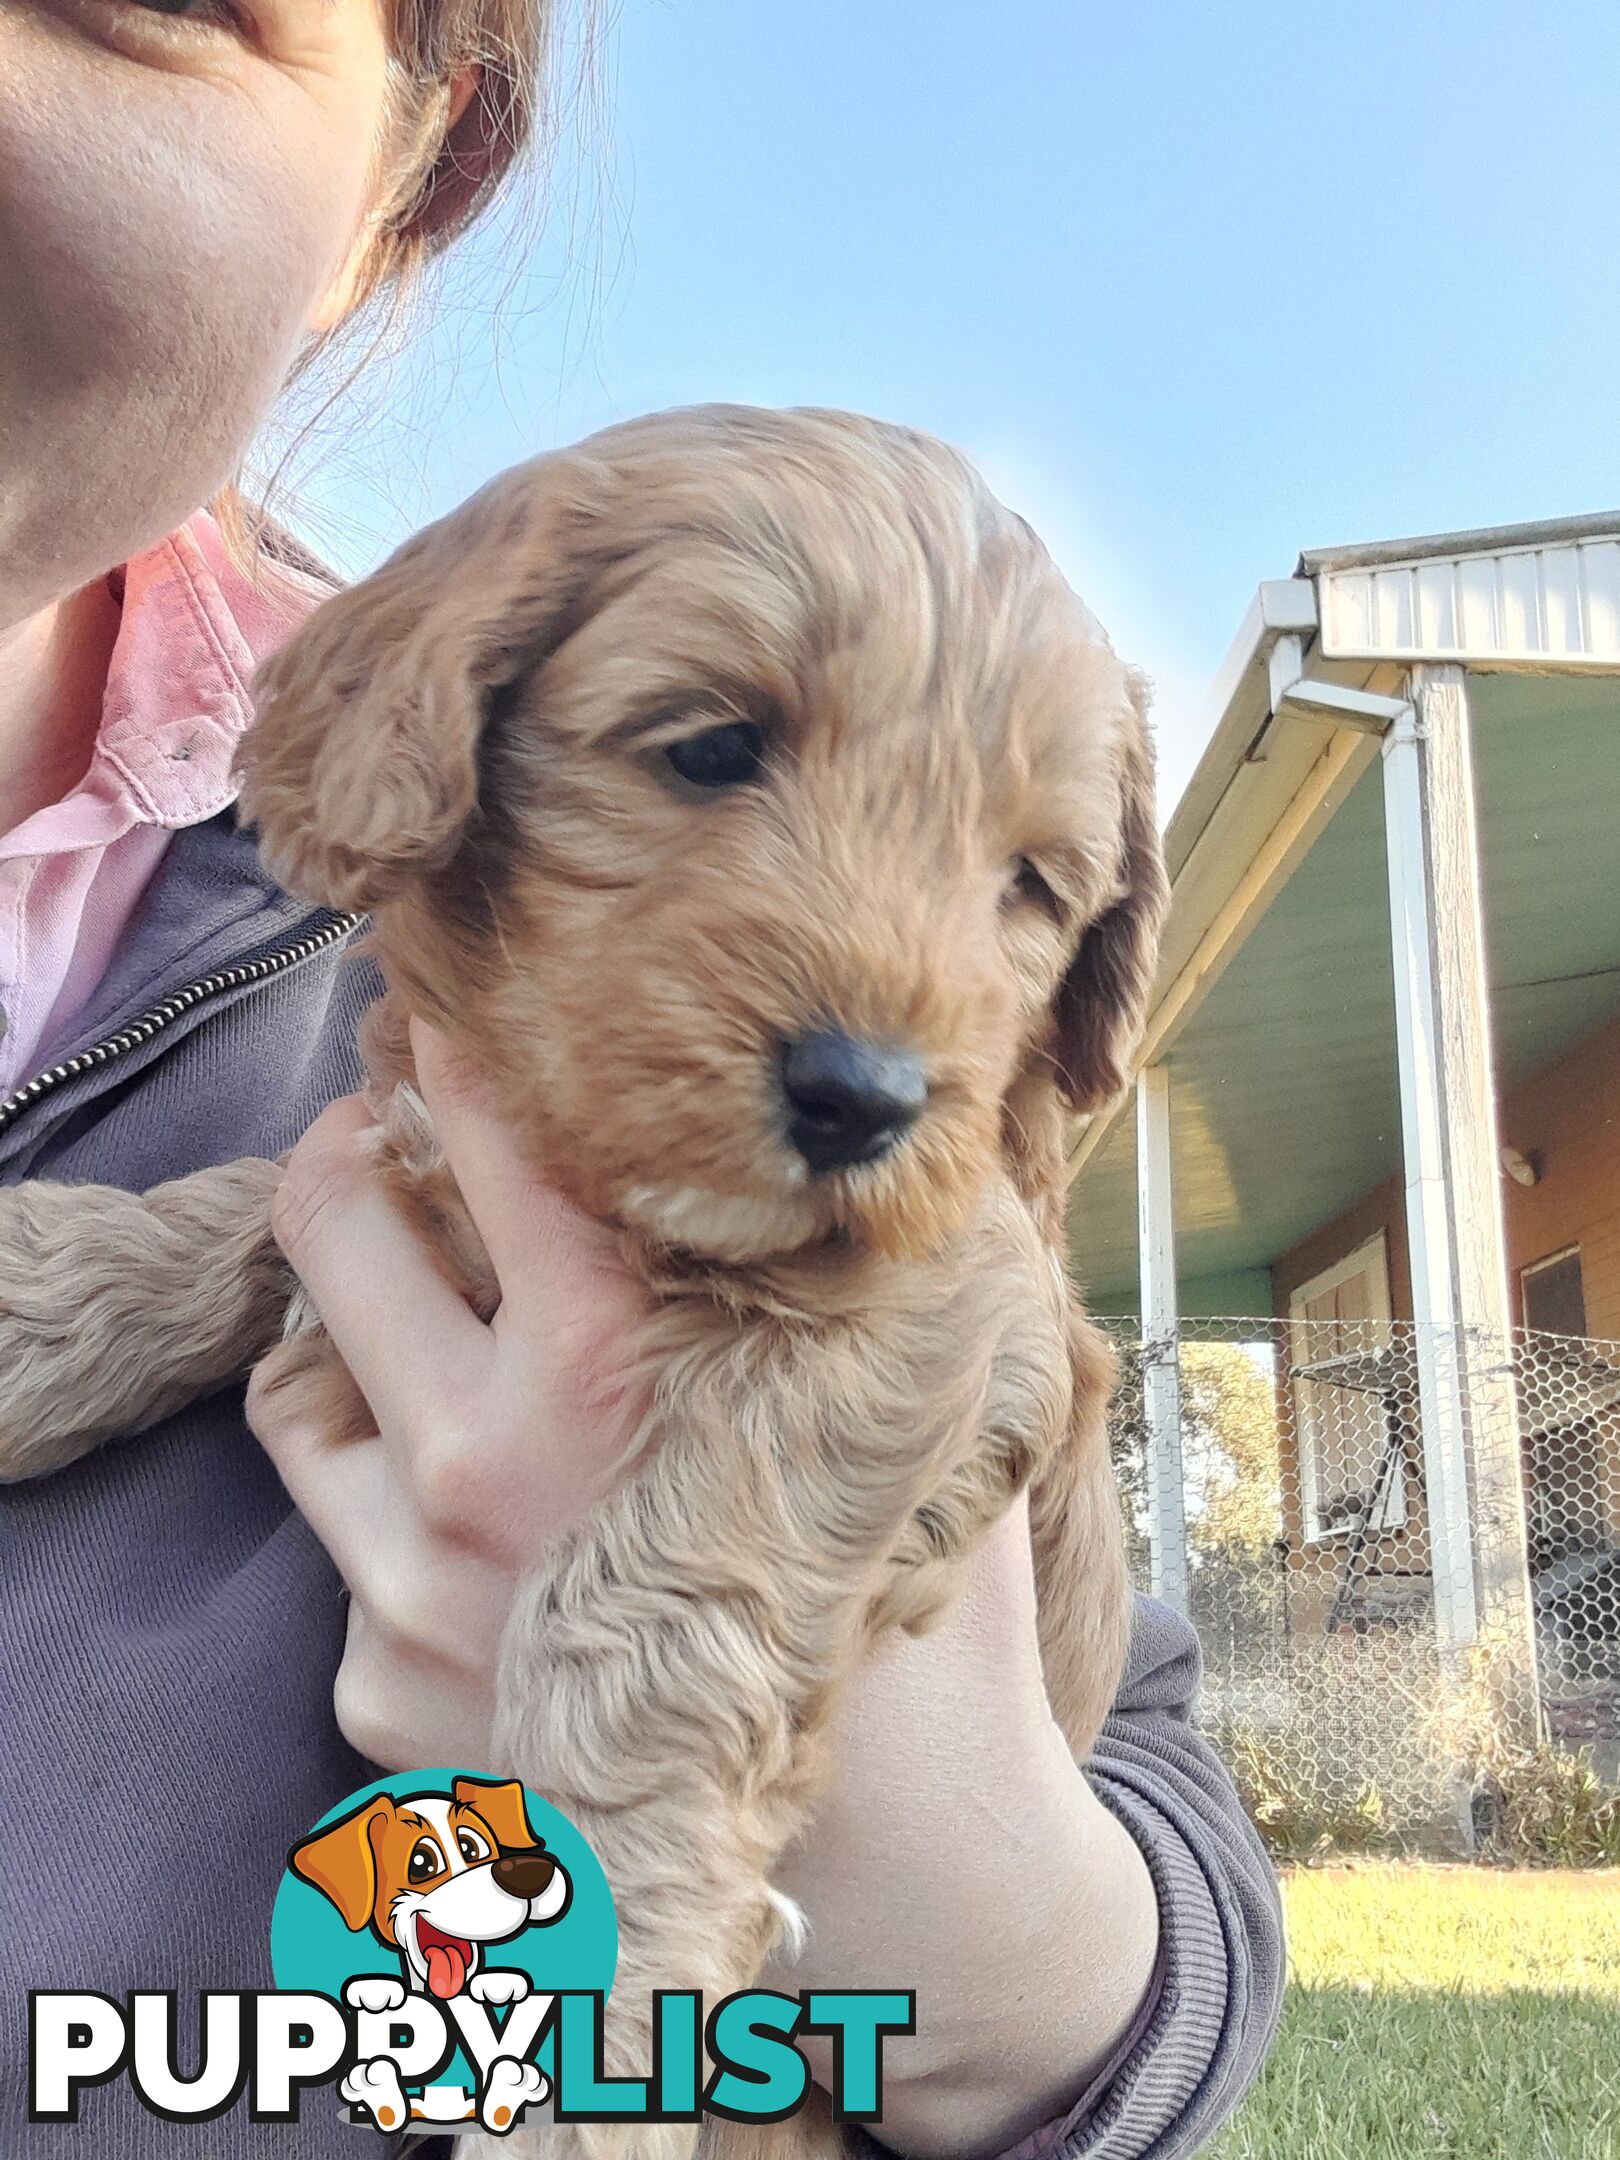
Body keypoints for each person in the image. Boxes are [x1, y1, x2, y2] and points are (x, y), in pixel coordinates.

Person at [0, 2, 1283, 2154]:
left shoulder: (824, 1191)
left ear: (410, 174)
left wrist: (981, 1937)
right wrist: (128, 1294)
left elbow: (1150, 1873)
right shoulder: (423, 900)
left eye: (1027, 888)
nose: (885, 1004)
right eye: (710, 756)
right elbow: (364, 1210)